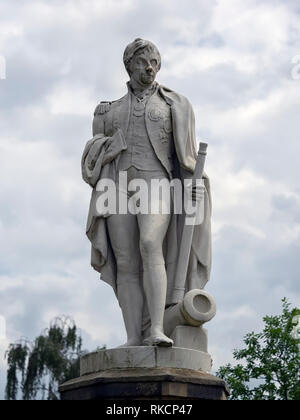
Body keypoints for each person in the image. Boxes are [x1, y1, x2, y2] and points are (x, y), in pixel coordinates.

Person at [82, 38, 212, 347]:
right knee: (125, 261)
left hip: (157, 184)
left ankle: (156, 328)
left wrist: (196, 182)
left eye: (154, 61)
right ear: (128, 65)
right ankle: (132, 337)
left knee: (150, 243)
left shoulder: (175, 104)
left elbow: (187, 156)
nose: (149, 67)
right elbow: (90, 157)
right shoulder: (108, 110)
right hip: (116, 187)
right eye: (142, 62)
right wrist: (107, 146)